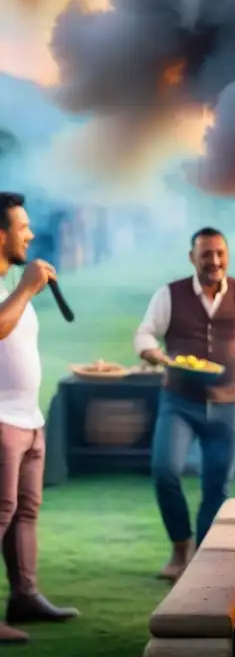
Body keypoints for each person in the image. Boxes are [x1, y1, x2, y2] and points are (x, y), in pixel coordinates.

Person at [135, 227, 235, 581]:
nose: (214, 261)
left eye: (219, 253)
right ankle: (179, 547)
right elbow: (145, 333)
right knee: (165, 472)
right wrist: (152, 353)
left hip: (230, 403)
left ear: (226, 256)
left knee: (217, 486)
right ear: (193, 258)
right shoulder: (169, 295)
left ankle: (200, 559)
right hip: (179, 401)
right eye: (206, 255)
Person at [0, 193, 78, 645]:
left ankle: (24, 596)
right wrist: (27, 287)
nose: (30, 234)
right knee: (2, 512)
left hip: (28, 419)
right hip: (1, 421)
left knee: (26, 512)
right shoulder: (16, 286)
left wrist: (22, 287)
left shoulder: (11, 282)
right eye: (21, 226)